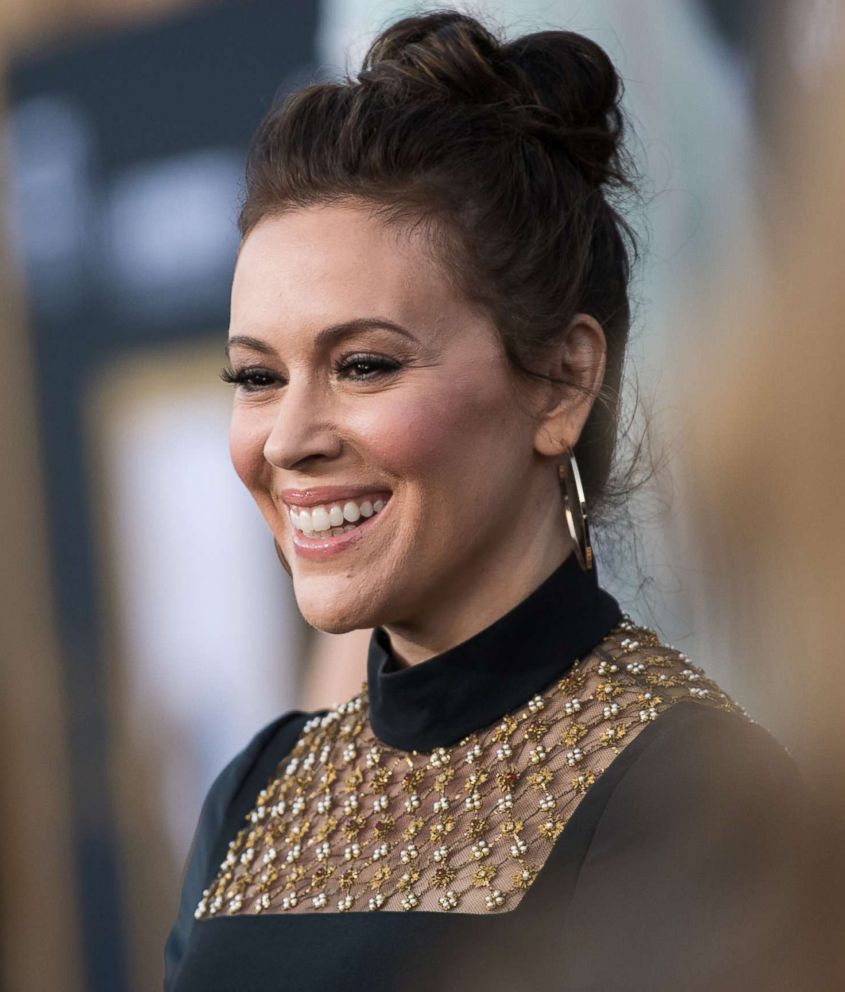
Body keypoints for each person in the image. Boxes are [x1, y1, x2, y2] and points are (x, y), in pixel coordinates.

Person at [163, 9, 809, 991]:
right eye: (255, 377)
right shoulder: (257, 790)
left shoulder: (698, 800)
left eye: (363, 364)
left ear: (558, 380)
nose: (288, 438)